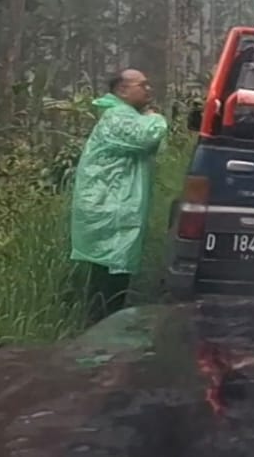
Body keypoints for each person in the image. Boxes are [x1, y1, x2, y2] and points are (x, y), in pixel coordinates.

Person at [70, 68, 168, 324]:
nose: (148, 89)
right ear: (122, 90)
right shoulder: (117, 116)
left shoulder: (123, 115)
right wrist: (155, 118)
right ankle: (101, 332)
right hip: (109, 207)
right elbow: (146, 138)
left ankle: (102, 329)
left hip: (112, 206)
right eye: (141, 85)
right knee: (108, 277)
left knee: (111, 273)